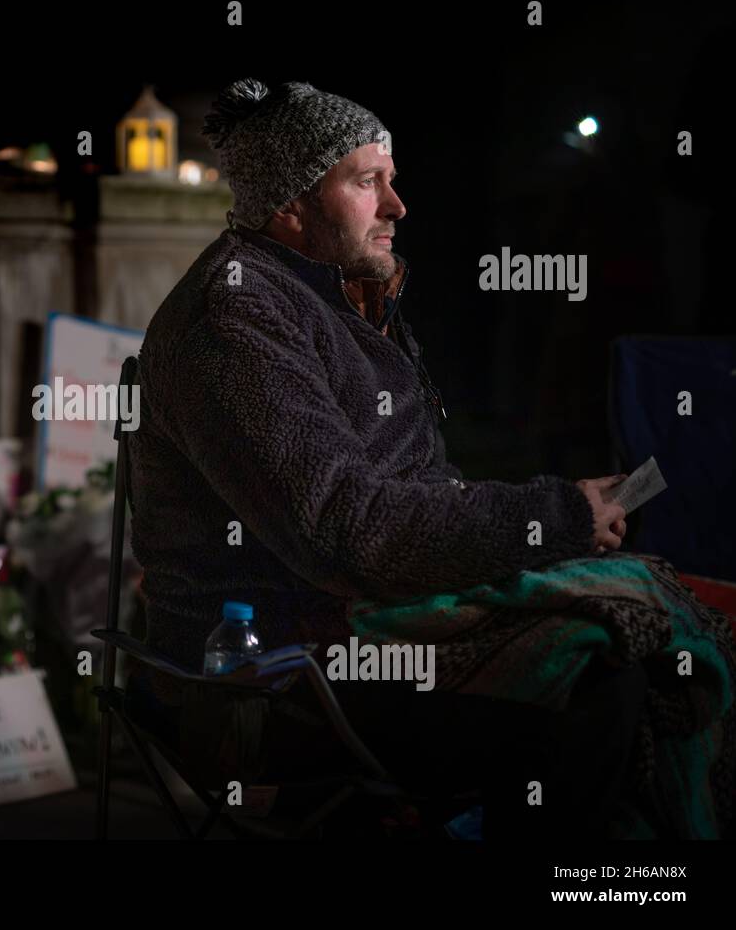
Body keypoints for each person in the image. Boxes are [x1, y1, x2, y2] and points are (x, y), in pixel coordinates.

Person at [125, 79, 731, 838]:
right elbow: (345, 529)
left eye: (394, 179)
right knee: (597, 686)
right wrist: (555, 515)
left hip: (367, 625)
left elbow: (410, 494)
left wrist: (551, 523)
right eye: (367, 181)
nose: (397, 206)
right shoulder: (237, 317)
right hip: (270, 677)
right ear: (290, 204)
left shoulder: (340, 299)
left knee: (637, 650)